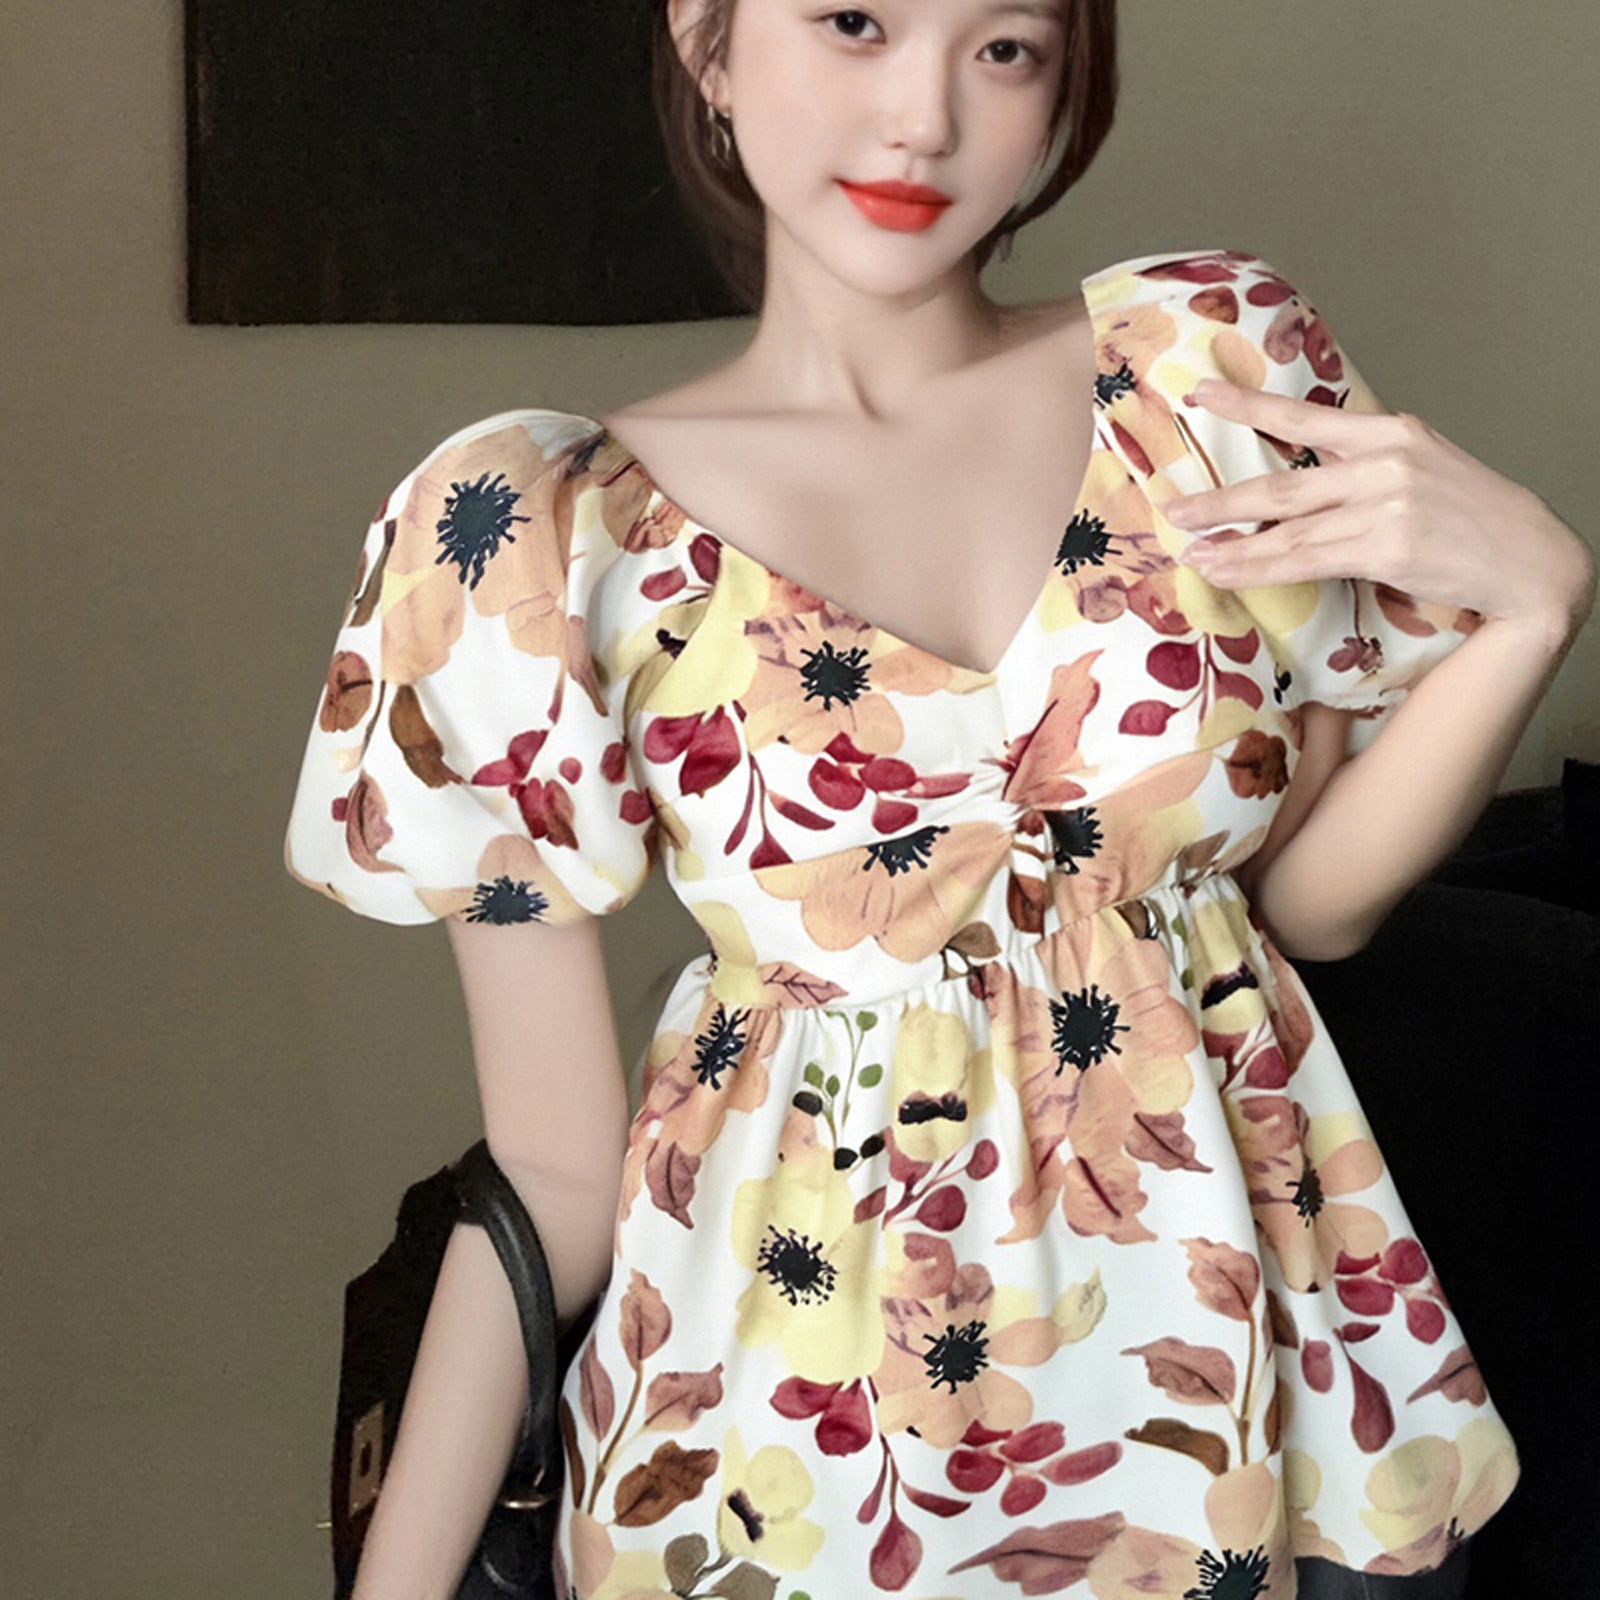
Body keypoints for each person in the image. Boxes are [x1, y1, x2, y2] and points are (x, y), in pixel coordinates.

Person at [283, 1, 1596, 1596]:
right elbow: (553, 1175)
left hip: (1250, 1379)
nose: (923, 117)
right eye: (855, 21)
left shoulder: (1206, 367)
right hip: (803, 1441)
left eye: (1004, 48)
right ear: (705, 39)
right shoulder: (539, 531)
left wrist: (1533, 609)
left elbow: (1305, 908)